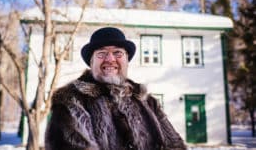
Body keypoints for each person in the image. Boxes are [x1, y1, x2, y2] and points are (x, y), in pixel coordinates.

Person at [45, 27, 186, 150]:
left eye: (118, 53)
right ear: (91, 62)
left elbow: (175, 146)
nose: (110, 59)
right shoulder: (70, 101)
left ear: (127, 60)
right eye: (101, 54)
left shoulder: (148, 102)